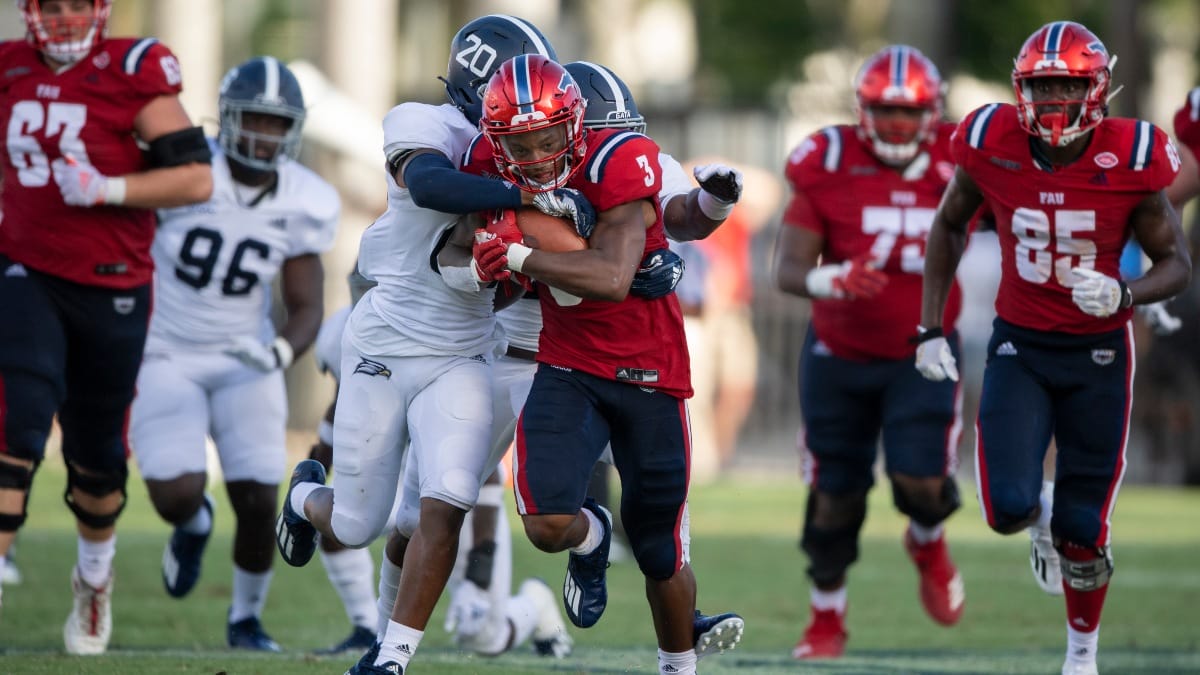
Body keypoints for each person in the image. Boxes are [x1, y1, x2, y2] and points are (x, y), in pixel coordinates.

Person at [273, 15, 601, 675]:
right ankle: (306, 496)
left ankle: (390, 657)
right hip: (386, 347)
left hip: (464, 352)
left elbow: (496, 273)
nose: (531, 126)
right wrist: (529, 193)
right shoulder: (426, 125)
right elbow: (430, 184)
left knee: (447, 497)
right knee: (360, 522)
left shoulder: (538, 146)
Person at [915, 22, 1190, 675]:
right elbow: (949, 225)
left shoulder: (1132, 153)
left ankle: (1081, 656)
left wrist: (1126, 294)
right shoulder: (990, 140)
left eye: (1068, 83)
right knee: (1007, 507)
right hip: (1022, 345)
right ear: (1021, 88)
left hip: (1099, 354)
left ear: (1097, 88)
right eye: (1043, 85)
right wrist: (929, 327)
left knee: (1084, 530)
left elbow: (1175, 261)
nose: (1055, 97)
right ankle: (1042, 510)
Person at [465, 54, 732, 675]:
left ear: (580, 126)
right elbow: (458, 231)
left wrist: (521, 258)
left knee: (660, 550)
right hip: (568, 366)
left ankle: (678, 666)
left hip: (652, 374)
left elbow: (617, 271)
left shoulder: (621, 158)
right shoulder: (485, 165)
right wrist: (487, 265)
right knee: (546, 521)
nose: (533, 152)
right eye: (518, 140)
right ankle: (591, 535)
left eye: (547, 136)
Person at [0, 0, 213, 654]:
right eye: (50, 4)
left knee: (97, 462)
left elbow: (197, 178)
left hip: (113, 282)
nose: (62, 19)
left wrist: (108, 188)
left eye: (74, 4)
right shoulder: (8, 68)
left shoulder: (131, 67)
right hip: (25, 268)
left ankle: (94, 578)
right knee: (17, 421)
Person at [127, 56, 333, 651]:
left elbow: (306, 306)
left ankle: (246, 620)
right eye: (255, 120)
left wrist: (276, 353)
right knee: (175, 493)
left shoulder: (305, 198)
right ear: (228, 118)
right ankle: (192, 526)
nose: (263, 135)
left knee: (258, 494)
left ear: (292, 129)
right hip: (165, 349)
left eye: (276, 123)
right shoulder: (186, 171)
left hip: (244, 357)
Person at [774, 45, 967, 660]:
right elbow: (788, 267)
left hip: (925, 349)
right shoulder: (827, 160)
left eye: (911, 114)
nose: (899, 126)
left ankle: (927, 538)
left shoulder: (962, 158)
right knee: (835, 494)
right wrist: (830, 280)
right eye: (886, 111)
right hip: (839, 350)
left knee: (922, 482)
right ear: (863, 109)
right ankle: (826, 620)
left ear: (934, 114)